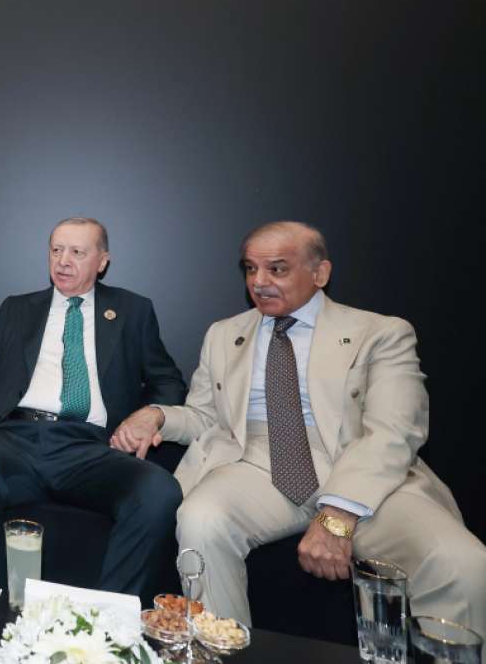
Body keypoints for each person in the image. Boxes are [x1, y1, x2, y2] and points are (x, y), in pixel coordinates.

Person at [112, 220, 486, 635]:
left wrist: (338, 514)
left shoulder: (380, 333)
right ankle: (219, 648)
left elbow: (394, 432)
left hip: (359, 465)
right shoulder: (224, 334)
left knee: (462, 564)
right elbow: (204, 416)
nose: (259, 282)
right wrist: (157, 415)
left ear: (320, 273)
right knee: (201, 518)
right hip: (254, 460)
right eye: (250, 269)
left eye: (277, 269)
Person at [0, 217, 187, 603]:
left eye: (77, 252)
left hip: (90, 446)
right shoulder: (18, 308)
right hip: (13, 439)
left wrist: (151, 414)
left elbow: (168, 380)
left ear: (102, 261)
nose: (63, 261)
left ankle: (106, 615)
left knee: (159, 491)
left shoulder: (132, 310)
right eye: (56, 250)